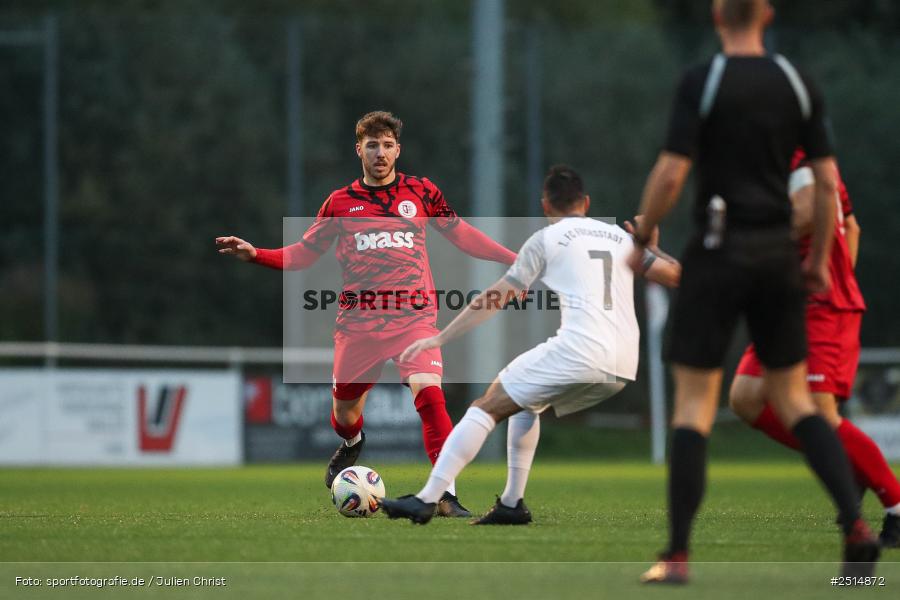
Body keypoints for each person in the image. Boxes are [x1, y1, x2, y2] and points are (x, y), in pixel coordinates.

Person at [628, 0, 880, 584]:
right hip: (777, 260)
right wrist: (817, 262)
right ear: (766, 14)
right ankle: (856, 528)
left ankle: (677, 557)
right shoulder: (797, 82)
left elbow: (671, 172)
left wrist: (641, 235)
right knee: (796, 402)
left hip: (720, 249)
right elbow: (825, 185)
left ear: (719, 15)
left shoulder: (704, 79)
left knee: (694, 407)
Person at [216, 111, 518, 517]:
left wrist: (515, 259)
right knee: (343, 416)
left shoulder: (421, 192)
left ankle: (443, 494)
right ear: (359, 149)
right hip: (358, 325)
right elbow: (303, 254)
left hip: (414, 318)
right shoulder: (339, 203)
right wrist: (257, 255)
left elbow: (461, 232)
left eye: (387, 145)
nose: (380, 153)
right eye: (372, 145)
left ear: (398, 149)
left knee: (430, 397)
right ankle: (352, 442)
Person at [378, 165, 680, 525]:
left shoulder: (546, 239)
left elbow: (496, 297)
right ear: (585, 202)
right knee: (526, 402)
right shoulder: (620, 237)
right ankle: (511, 504)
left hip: (580, 350)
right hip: (623, 364)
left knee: (486, 405)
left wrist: (441, 336)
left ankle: (427, 498)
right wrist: (656, 249)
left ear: (545, 205)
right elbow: (677, 276)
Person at [729, 149, 900, 548]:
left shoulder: (795, 158)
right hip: (789, 303)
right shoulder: (790, 160)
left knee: (821, 414)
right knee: (745, 397)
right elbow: (851, 228)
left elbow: (806, 215)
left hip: (820, 307)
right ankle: (847, 467)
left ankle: (895, 505)